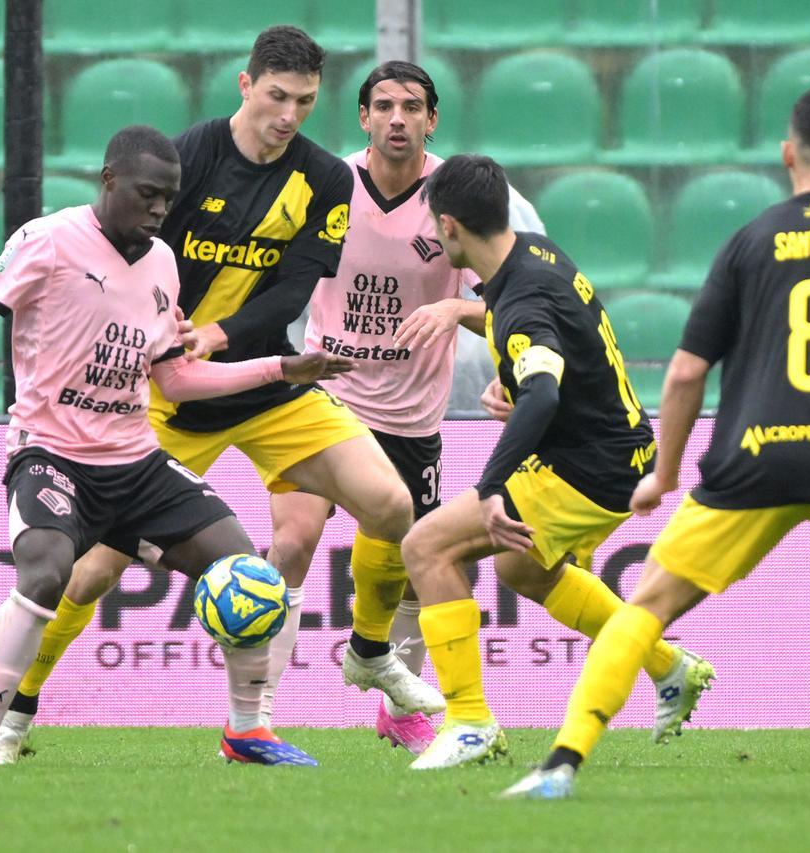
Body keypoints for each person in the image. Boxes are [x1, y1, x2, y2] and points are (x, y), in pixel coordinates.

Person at [0, 26, 442, 767]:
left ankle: (363, 652)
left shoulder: (325, 179)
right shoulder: (187, 158)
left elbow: (296, 288)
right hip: (165, 397)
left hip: (263, 385)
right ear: (245, 85)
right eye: (276, 96)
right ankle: (19, 704)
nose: (289, 114)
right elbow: (123, 256)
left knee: (393, 506)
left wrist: (219, 334)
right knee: (92, 571)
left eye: (304, 100)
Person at [507, 86, 810, 801]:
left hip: (754, 457)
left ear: (788, 154)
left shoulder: (749, 241)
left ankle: (563, 763)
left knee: (648, 605)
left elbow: (688, 371)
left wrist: (662, 474)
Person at [0, 125, 351, 769]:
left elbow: (176, 377)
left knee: (250, 576)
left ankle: (246, 732)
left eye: (169, 199)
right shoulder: (46, 239)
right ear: (109, 182)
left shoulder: (162, 263)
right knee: (46, 574)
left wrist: (280, 368)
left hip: (135, 461)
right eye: (148, 195)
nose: (160, 211)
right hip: (52, 455)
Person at [259, 60, 551, 754]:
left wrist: (459, 307)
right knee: (293, 542)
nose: (397, 118)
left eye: (411, 107)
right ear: (362, 117)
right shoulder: (325, 186)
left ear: (432, 120)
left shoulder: (464, 196)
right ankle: (254, 718)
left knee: (419, 563)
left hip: (411, 418)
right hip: (323, 401)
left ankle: (399, 708)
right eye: (383, 105)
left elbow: (529, 295)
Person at [399, 154, 713, 771]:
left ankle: (468, 722)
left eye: (437, 225)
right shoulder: (536, 253)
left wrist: (492, 485)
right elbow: (547, 352)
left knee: (426, 548)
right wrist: (504, 370)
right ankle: (668, 665)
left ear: (452, 226)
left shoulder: (520, 303)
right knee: (524, 572)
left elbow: (541, 388)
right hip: (620, 455)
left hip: (583, 471)